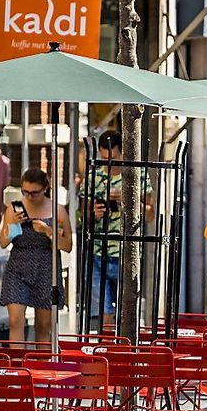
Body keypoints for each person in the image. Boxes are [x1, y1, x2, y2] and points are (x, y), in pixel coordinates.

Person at [0, 167, 73, 342]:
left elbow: (68, 246)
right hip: (18, 267)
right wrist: (13, 225)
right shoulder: (15, 208)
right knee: (15, 320)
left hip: (46, 268)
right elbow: (3, 242)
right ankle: (17, 367)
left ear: (45, 188)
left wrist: (49, 230)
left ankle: (43, 367)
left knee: (43, 325)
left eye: (34, 193)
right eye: (25, 192)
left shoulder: (58, 211)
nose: (29, 197)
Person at [87, 130, 123, 326]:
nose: (108, 164)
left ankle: (121, 351)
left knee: (125, 310)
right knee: (104, 309)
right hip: (98, 251)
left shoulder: (135, 174)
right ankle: (106, 354)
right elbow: (82, 214)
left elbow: (151, 214)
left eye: (114, 159)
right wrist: (93, 211)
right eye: (104, 159)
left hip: (125, 252)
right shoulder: (93, 176)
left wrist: (129, 201)